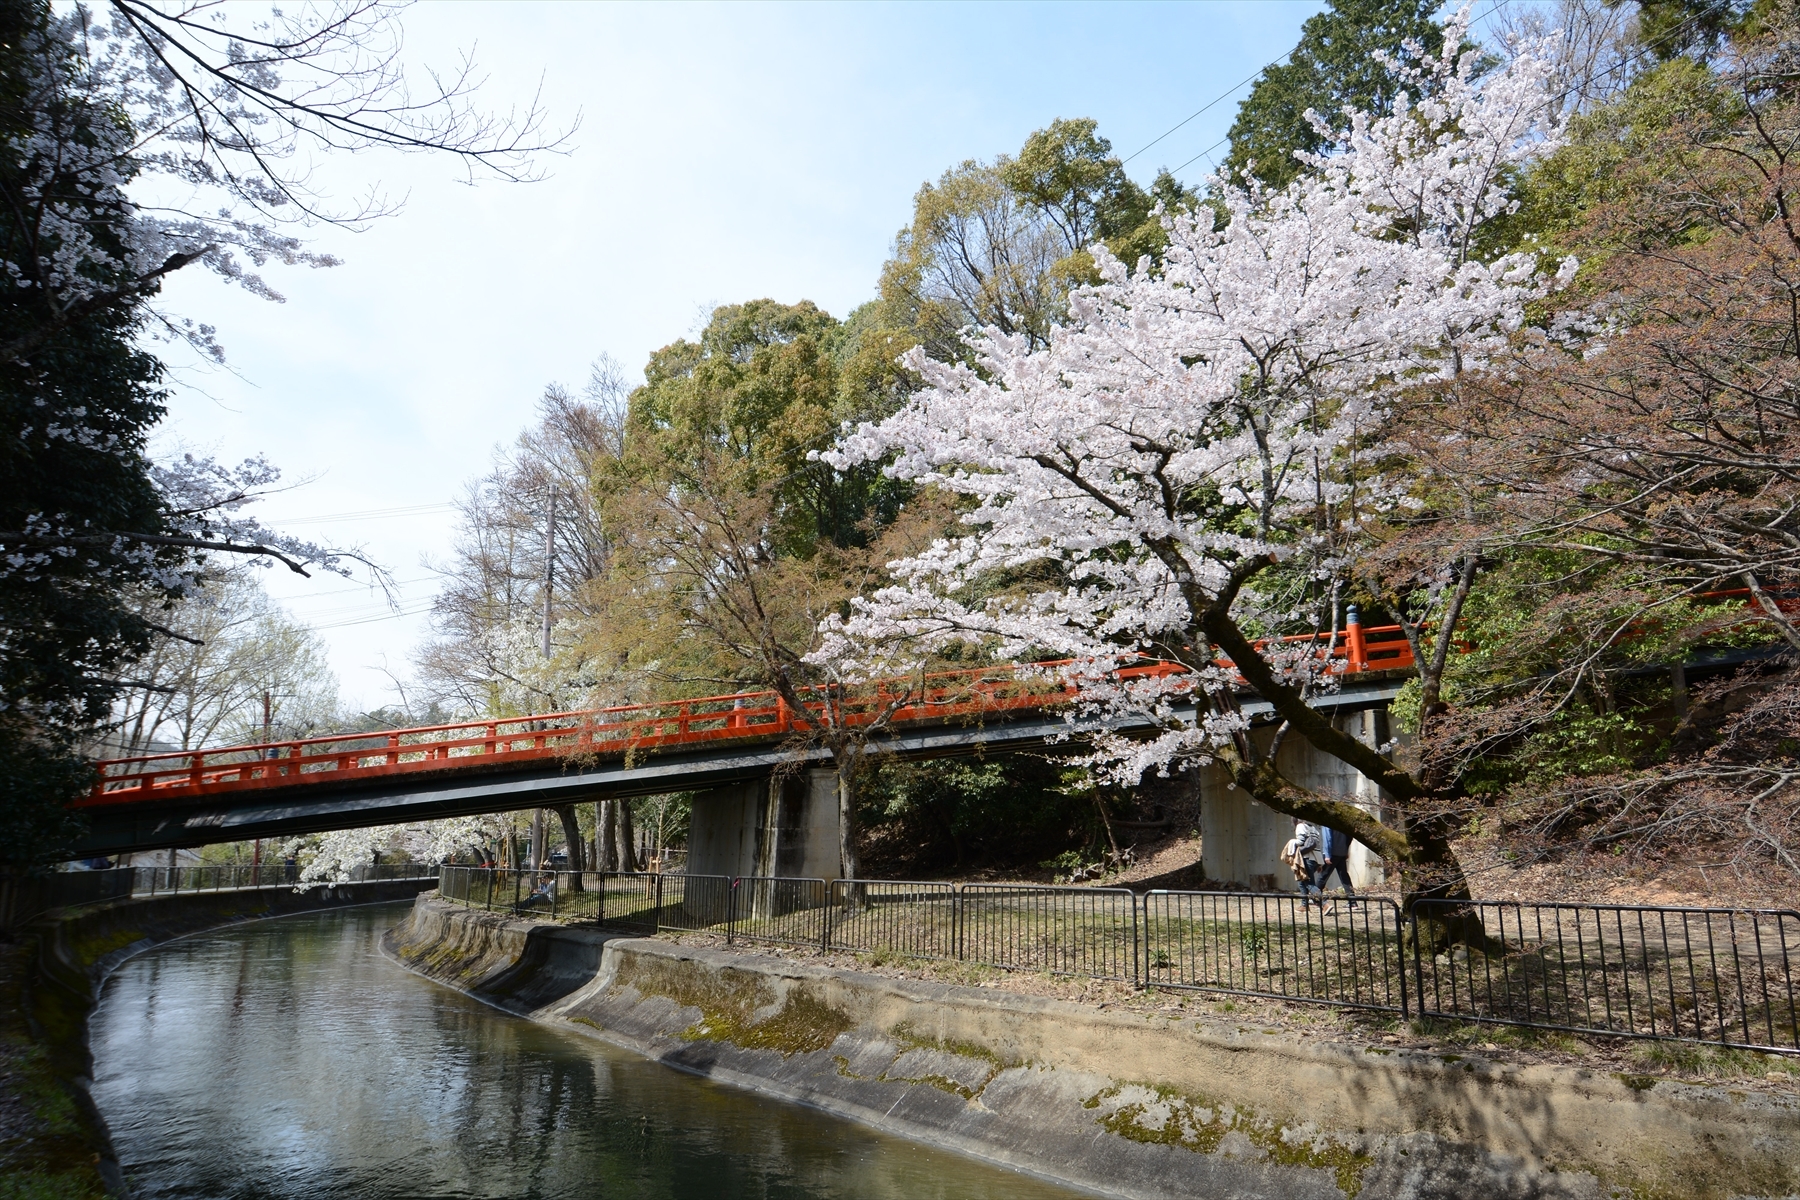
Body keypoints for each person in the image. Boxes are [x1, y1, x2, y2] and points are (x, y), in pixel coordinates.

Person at [1282, 821, 1324, 904]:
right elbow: (1317, 844)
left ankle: (1324, 903)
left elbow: (1301, 841)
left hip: (1307, 858)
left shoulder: (1300, 826)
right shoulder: (1313, 828)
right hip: (1316, 859)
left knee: (1309, 884)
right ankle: (1304, 905)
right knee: (1301, 882)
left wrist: (1292, 842)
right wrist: (1319, 864)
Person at [1315, 826, 1356, 905]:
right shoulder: (1341, 823)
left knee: (1323, 876)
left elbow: (1328, 838)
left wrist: (1327, 854)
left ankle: (1315, 898)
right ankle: (1352, 901)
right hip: (1342, 853)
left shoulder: (1327, 822)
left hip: (1332, 853)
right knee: (1344, 877)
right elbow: (1349, 836)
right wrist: (1346, 850)